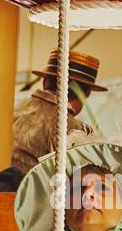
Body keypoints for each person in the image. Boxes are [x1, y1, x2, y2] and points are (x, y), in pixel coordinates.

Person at [12, 49, 104, 177]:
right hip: (30, 196)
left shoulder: (14, 111)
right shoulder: (73, 129)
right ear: (87, 93)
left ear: (44, 82)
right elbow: (80, 182)